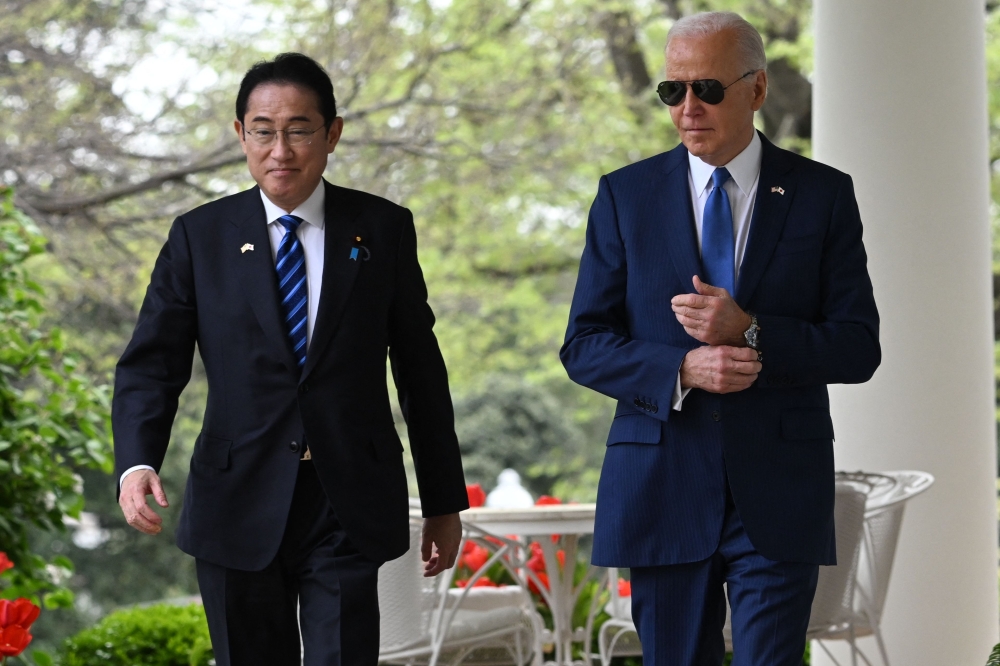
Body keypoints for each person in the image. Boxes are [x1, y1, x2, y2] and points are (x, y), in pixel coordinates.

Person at [112, 53, 468, 666]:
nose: (281, 149)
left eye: (300, 129)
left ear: (332, 133)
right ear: (240, 134)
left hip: (347, 499)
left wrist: (443, 500)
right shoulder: (200, 237)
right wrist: (136, 460)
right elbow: (152, 362)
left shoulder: (382, 229)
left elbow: (419, 369)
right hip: (236, 499)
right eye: (263, 130)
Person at [561, 12, 879, 665]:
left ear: (757, 89)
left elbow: (856, 345)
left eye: (706, 88)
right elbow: (585, 343)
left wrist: (753, 331)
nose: (687, 108)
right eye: (671, 91)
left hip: (780, 492)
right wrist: (684, 369)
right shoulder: (624, 197)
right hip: (661, 485)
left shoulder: (823, 196)